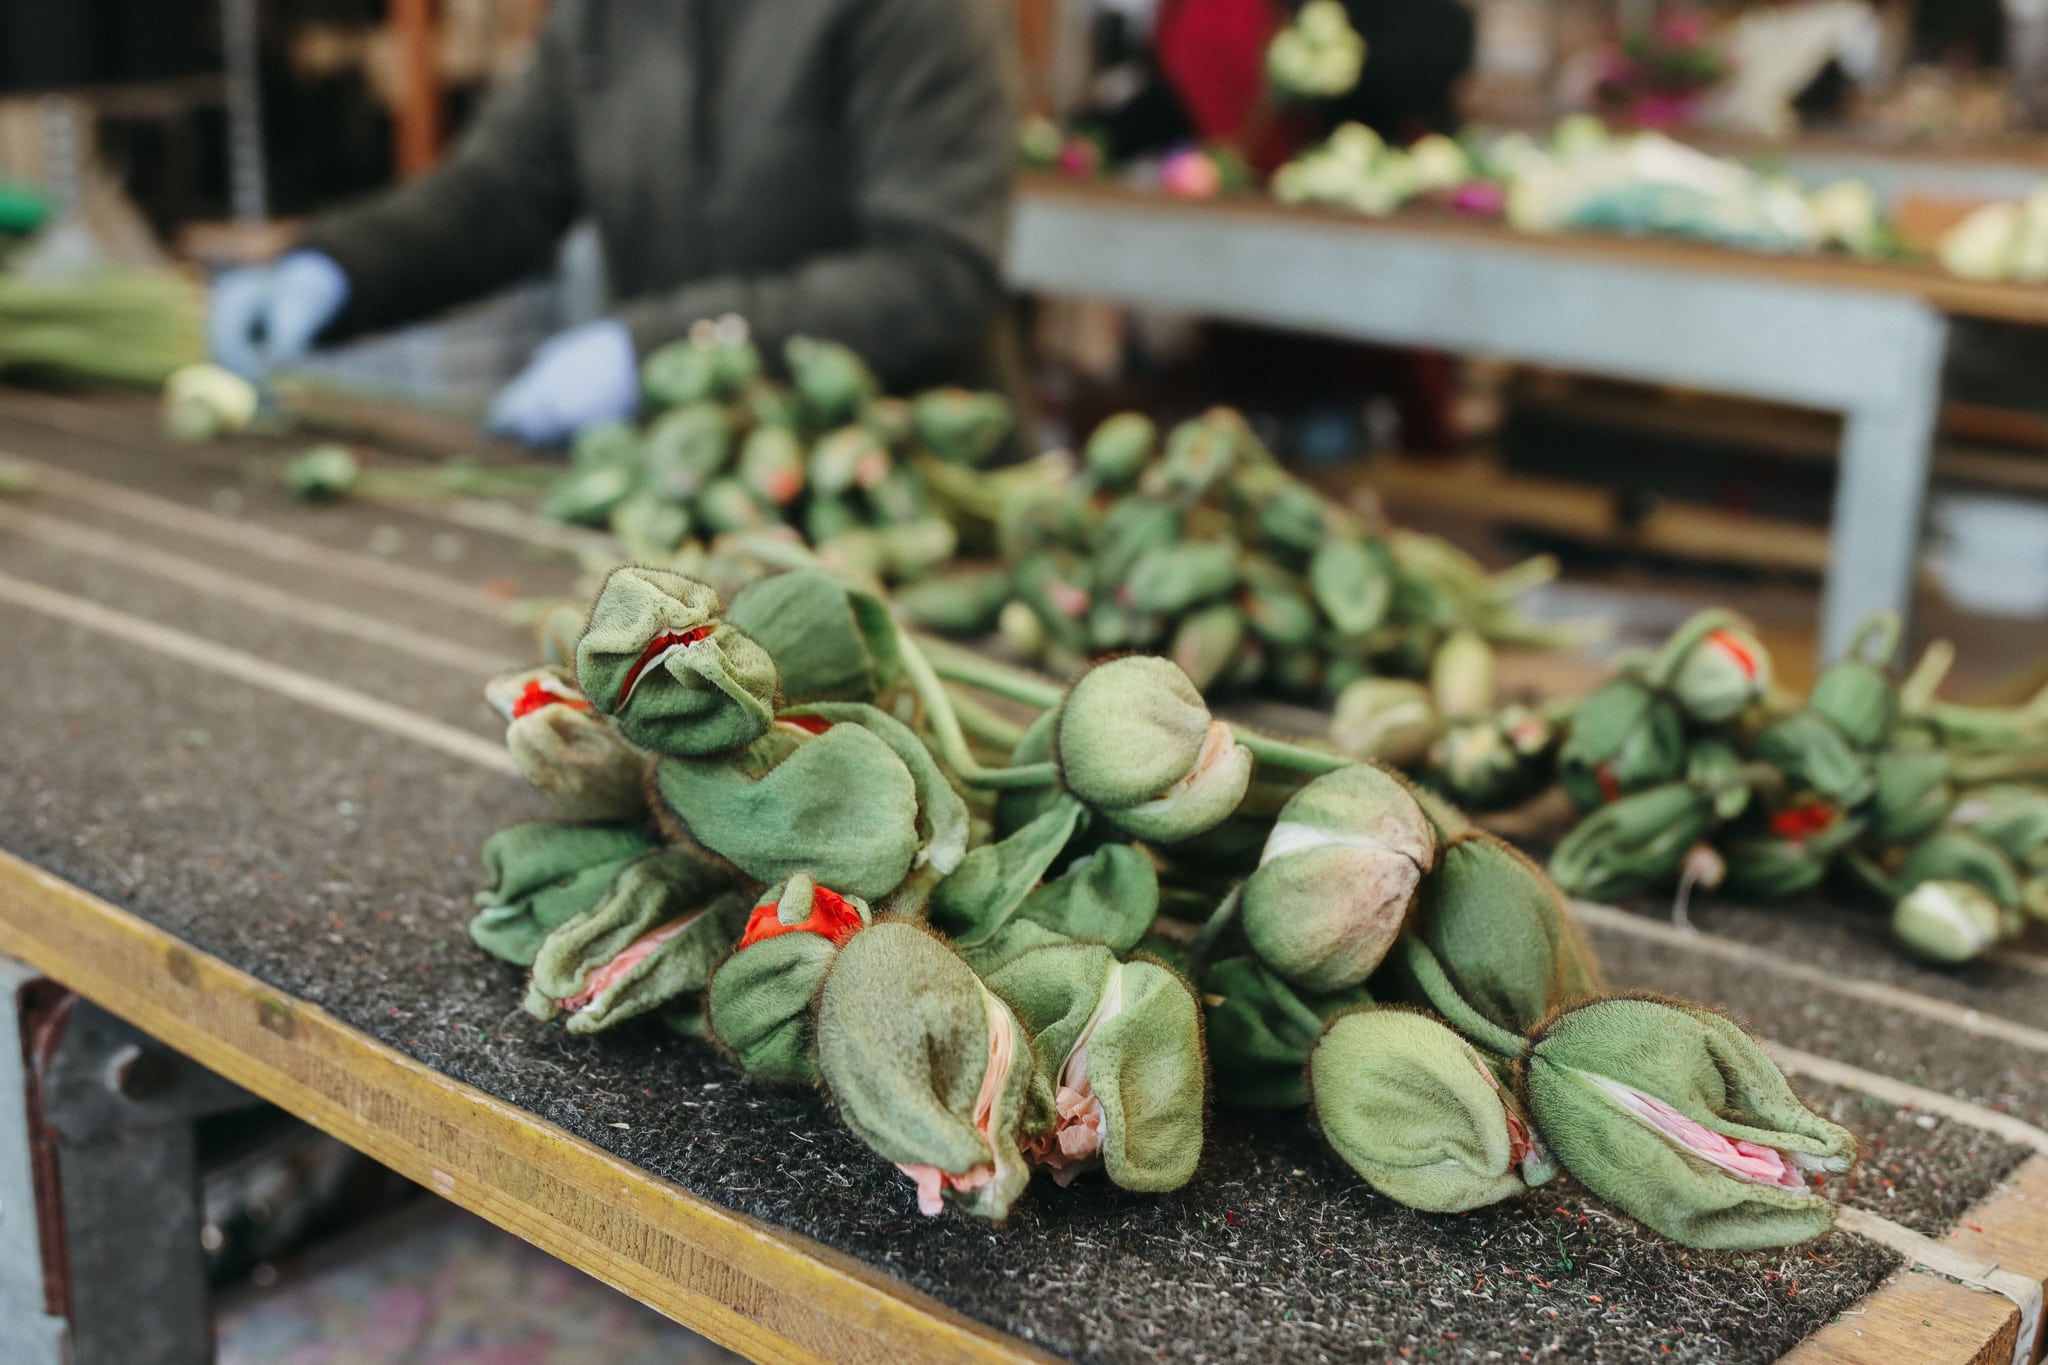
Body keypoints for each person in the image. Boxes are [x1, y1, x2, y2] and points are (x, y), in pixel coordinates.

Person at [209, 0, 1018, 445]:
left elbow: (934, 273)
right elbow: (499, 191)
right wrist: (337, 266)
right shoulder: (604, 15)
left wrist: (652, 349)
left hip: (910, 500)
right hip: (689, 484)